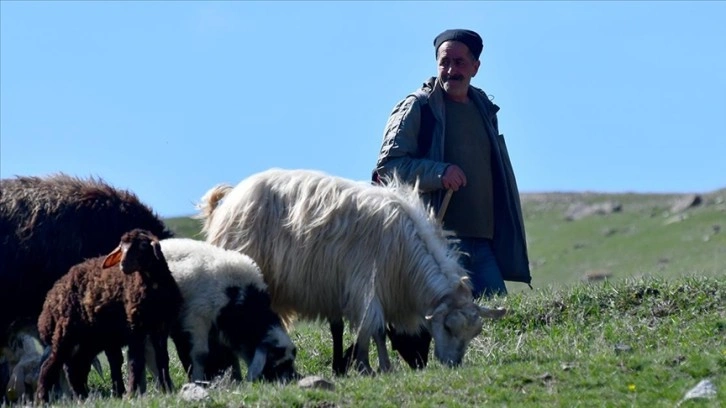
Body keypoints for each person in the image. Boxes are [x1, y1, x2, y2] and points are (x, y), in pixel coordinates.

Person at [373, 29, 531, 299]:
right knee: (445, 324)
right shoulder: (418, 107)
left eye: (459, 62)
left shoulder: (485, 110)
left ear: (475, 67)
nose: (450, 70)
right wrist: (439, 172)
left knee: (498, 320)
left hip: (482, 244)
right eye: (444, 62)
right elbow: (388, 169)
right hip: (434, 244)